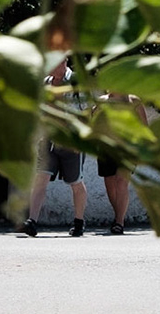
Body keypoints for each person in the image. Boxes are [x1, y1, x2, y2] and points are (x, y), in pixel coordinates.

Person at [22, 58, 131, 237]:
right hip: (49, 139)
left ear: (63, 62)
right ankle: (32, 221)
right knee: (41, 177)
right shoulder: (45, 83)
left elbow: (87, 112)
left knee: (75, 182)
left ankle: (79, 221)